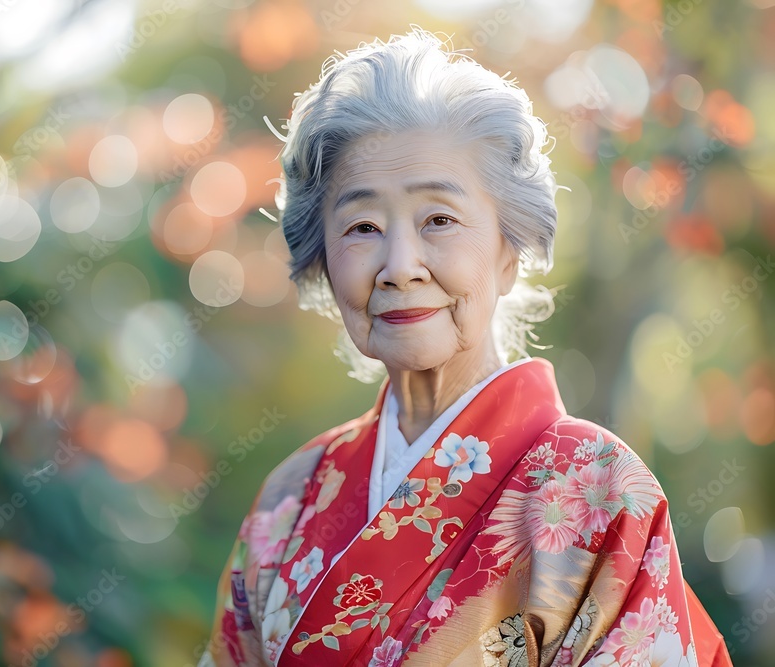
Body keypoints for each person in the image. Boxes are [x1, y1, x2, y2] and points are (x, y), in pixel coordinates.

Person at [199, 28, 732, 666]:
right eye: (362, 226)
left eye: (439, 220)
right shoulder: (290, 497)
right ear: (323, 261)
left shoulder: (595, 489)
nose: (400, 266)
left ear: (510, 251)